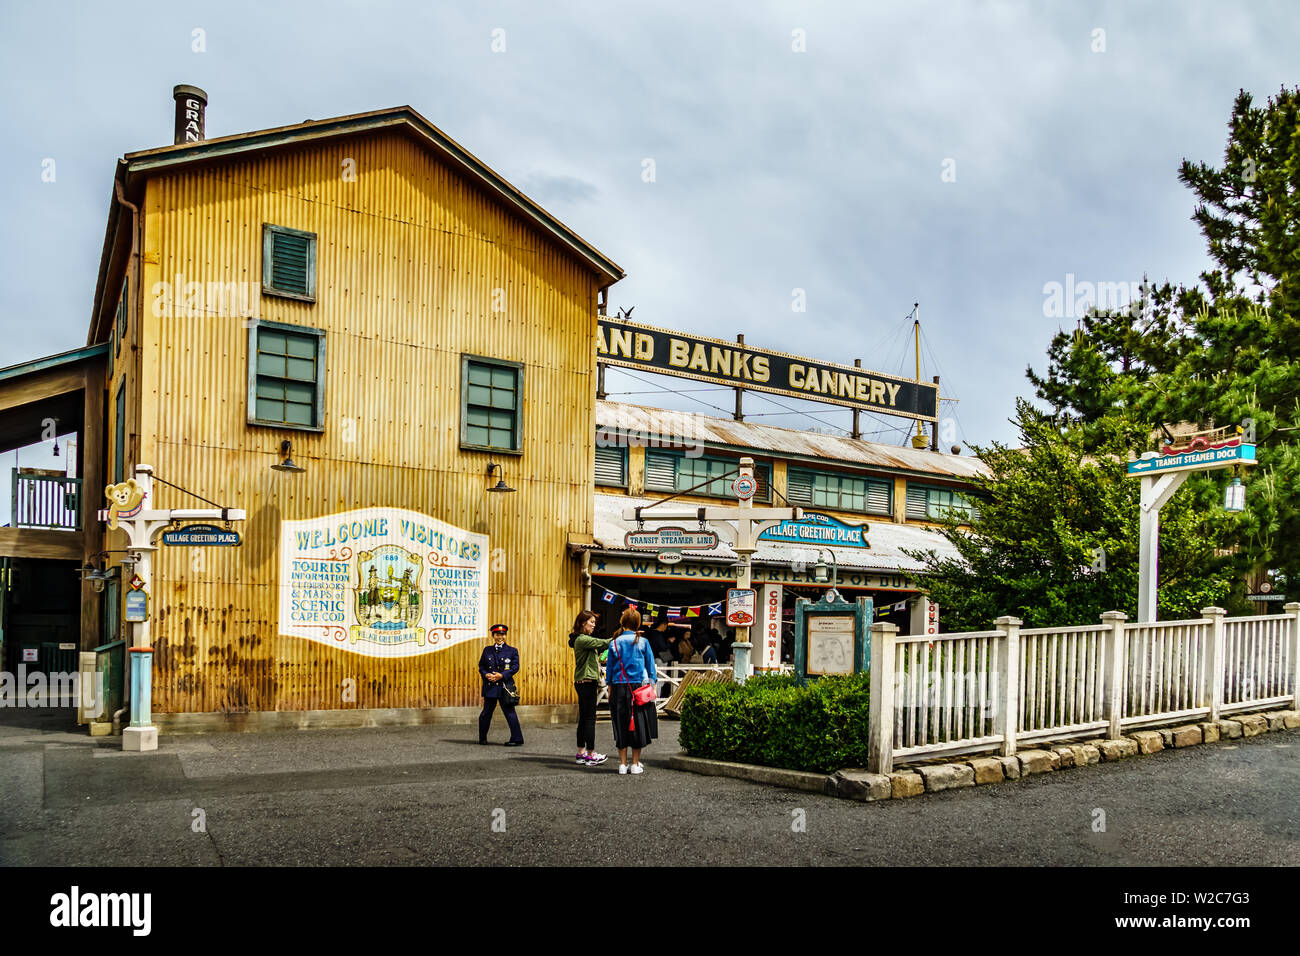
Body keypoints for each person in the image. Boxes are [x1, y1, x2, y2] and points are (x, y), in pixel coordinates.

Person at [605, 605, 658, 774]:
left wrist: (609, 688)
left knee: (620, 724)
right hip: (639, 689)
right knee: (638, 725)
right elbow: (651, 667)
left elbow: (610, 669)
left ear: (622, 622)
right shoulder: (643, 642)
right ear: (638, 623)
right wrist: (653, 685)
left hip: (619, 687)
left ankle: (622, 764)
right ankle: (635, 764)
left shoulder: (614, 643)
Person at [569, 609, 609, 766]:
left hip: (582, 681)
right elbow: (604, 643)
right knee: (590, 718)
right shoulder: (583, 639)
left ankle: (581, 753)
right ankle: (591, 754)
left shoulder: (581, 639)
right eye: (591, 622)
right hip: (587, 681)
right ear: (582, 623)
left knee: (584, 718)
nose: (594, 625)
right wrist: (621, 636)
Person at [478, 623, 523, 746]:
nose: (500, 637)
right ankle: (482, 738)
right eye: (497, 634)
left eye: (502, 634)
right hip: (490, 686)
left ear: (505, 636)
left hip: (505, 687)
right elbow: (481, 666)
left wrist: (502, 675)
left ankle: (517, 739)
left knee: (510, 713)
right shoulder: (487, 650)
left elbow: (515, 667)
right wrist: (486, 674)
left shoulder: (512, 651)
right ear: (493, 635)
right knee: (486, 713)